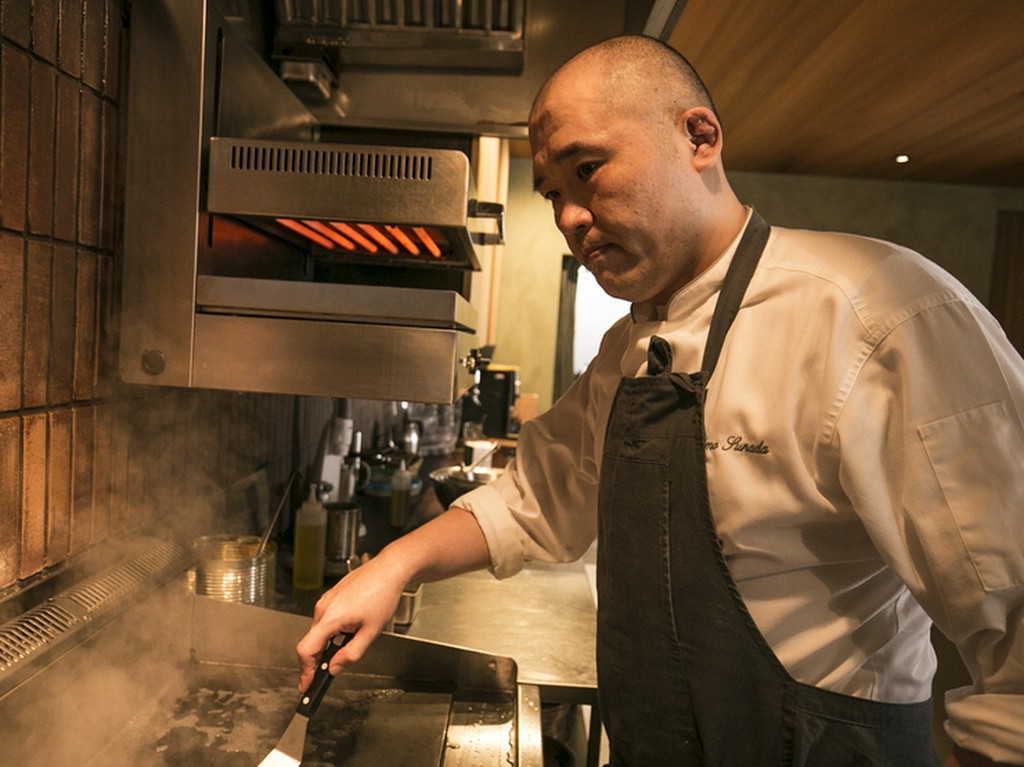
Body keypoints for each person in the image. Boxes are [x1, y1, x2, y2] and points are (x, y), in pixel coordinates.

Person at [296, 35, 1024, 766]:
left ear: (699, 138)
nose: (570, 218)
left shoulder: (876, 316)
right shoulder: (627, 349)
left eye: (589, 170)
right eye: (553, 193)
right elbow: (538, 497)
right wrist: (390, 566)